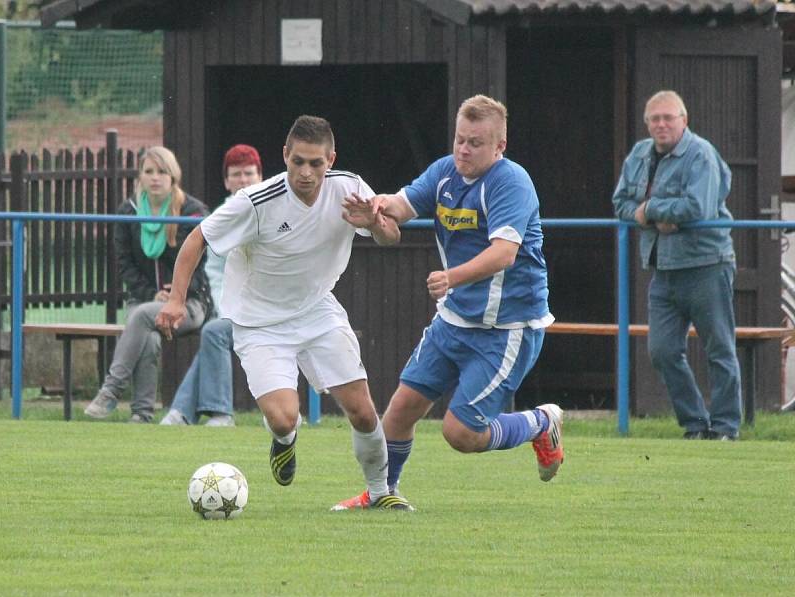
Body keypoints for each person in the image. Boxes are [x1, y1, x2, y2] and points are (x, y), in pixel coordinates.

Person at [155, 115, 411, 510]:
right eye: (298, 162)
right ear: (285, 156)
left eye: (316, 163)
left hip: (317, 310)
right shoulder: (256, 201)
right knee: (283, 417)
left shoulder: (350, 188)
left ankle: (380, 492)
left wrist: (376, 223)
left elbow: (390, 236)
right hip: (259, 323)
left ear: (331, 159)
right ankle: (284, 441)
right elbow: (197, 238)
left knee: (361, 411)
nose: (306, 172)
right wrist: (175, 301)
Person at [332, 94, 564, 511]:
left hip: (506, 328)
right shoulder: (445, 173)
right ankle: (382, 494)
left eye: (475, 142)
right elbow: (402, 205)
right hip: (454, 321)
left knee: (460, 434)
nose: (463, 149)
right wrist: (378, 207)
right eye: (459, 139)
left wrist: (451, 277)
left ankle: (541, 423)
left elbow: (504, 254)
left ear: (499, 147)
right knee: (398, 414)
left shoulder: (512, 182)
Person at [612, 90, 740, 441]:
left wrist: (649, 211)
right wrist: (658, 216)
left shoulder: (701, 154)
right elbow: (621, 203)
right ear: (647, 124)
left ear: (684, 121)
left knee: (719, 348)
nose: (662, 124)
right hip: (663, 269)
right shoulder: (639, 154)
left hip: (707, 264)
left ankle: (726, 427)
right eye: (655, 119)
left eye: (669, 117)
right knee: (662, 351)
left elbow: (698, 208)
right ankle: (695, 424)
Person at [84, 146, 211, 423]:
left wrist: (176, 294)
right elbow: (124, 265)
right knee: (149, 335)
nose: (155, 178)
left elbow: (201, 265)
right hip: (143, 299)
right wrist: (152, 294)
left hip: (189, 303)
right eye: (149, 171)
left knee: (142, 317)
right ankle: (141, 415)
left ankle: (111, 389)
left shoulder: (192, 211)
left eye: (162, 171)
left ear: (173, 175)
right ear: (140, 176)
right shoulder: (128, 212)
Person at [160, 144, 263, 427]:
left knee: (213, 332)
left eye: (249, 173)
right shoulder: (224, 216)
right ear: (227, 181)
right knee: (216, 330)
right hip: (237, 313)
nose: (243, 180)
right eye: (236, 174)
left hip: (273, 311)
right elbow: (215, 271)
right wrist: (224, 309)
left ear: (260, 176)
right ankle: (181, 413)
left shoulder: (272, 208)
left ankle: (219, 413)